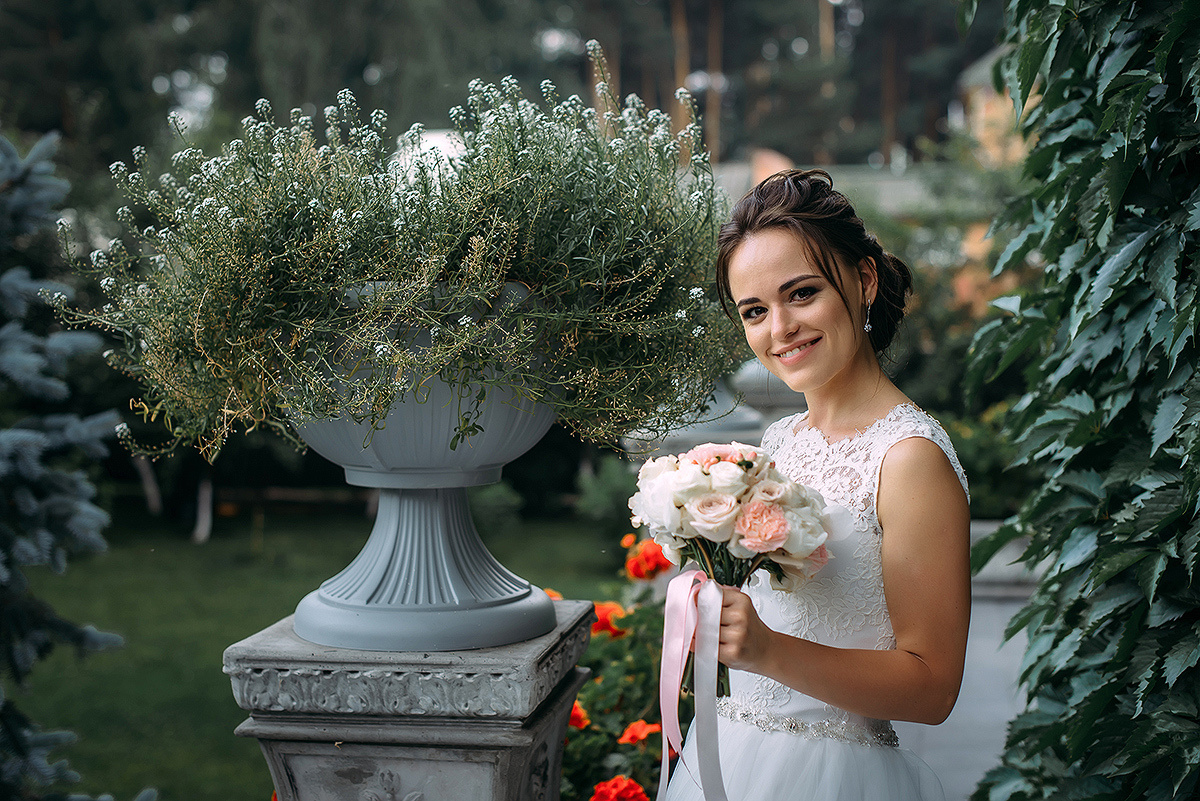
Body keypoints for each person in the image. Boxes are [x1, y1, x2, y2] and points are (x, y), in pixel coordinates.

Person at [663, 169, 971, 801]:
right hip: (735, 755)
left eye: (801, 293)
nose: (780, 328)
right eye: (755, 311)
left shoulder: (908, 459)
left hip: (837, 776)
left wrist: (768, 651)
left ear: (864, 280)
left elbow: (933, 688)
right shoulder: (779, 441)